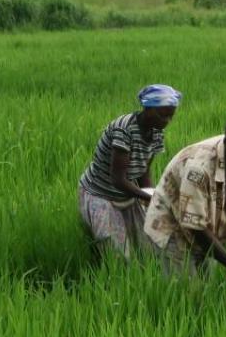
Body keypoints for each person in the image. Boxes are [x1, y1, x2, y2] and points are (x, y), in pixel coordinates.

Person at [143, 114, 226, 283]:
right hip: (171, 225)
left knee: (207, 282)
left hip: (206, 225)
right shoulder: (199, 169)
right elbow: (197, 229)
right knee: (186, 291)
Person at [77, 84, 181, 258]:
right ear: (147, 108)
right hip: (102, 194)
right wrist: (149, 197)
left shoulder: (156, 132)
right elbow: (118, 179)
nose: (166, 121)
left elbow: (143, 171)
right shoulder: (124, 129)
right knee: (116, 253)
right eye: (162, 115)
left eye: (170, 116)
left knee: (146, 245)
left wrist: (151, 198)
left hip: (126, 193)